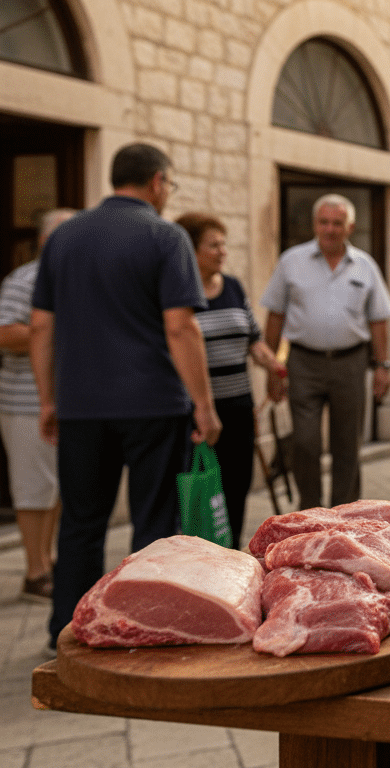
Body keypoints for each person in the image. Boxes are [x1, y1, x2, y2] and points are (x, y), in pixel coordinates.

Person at [31, 143, 221, 649]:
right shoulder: (166, 236)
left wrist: (48, 400)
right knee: (154, 520)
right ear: (157, 181)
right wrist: (203, 404)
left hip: (81, 406)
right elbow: (181, 328)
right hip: (153, 405)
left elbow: (39, 327)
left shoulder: (63, 236)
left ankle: (65, 631)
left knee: (80, 522)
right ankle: (144, 625)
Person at [261, 193, 390, 511]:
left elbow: (378, 320)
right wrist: (272, 369)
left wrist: (383, 365)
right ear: (315, 224)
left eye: (337, 223)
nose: (330, 229)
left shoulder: (365, 266)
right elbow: (275, 317)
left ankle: (344, 513)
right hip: (303, 362)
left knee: (347, 445)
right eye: (324, 222)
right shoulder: (291, 261)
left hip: (351, 362)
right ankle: (310, 508)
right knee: (305, 442)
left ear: (350, 227)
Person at [177, 213, 284, 549]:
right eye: (213, 245)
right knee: (199, 487)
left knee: (236, 486)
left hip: (238, 406)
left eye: (223, 244)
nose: (222, 251)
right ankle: (195, 555)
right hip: (196, 410)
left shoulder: (233, 286)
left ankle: (229, 550)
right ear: (192, 251)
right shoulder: (178, 294)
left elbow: (253, 338)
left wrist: (273, 365)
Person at [0, 208, 74, 601]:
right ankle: (35, 572)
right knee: (33, 489)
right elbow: (5, 332)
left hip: (63, 403)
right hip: (26, 402)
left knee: (55, 489)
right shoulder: (25, 278)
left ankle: (48, 562)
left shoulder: (73, 277)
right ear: (48, 240)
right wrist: (54, 332)